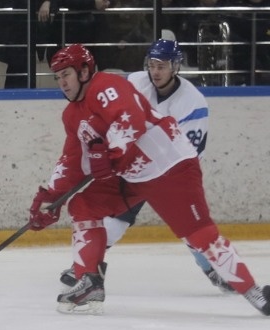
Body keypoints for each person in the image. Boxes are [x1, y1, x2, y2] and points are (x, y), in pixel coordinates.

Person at [27, 43, 270, 315]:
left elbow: (130, 117)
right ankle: (89, 282)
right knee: (83, 205)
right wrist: (51, 196)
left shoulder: (105, 85)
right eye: (57, 77)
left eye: (66, 75)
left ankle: (254, 293)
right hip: (132, 174)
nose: (62, 83)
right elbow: (73, 160)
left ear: (84, 71)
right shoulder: (72, 115)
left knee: (198, 233)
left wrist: (111, 152)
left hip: (171, 166)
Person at [58, 38, 233, 293]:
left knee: (189, 227)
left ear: (175, 67)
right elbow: (113, 113)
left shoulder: (193, 102)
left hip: (170, 170)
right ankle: (89, 267)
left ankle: (213, 268)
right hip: (132, 165)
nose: (156, 71)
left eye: (162, 66)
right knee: (116, 218)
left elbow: (187, 150)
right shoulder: (136, 81)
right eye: (152, 65)